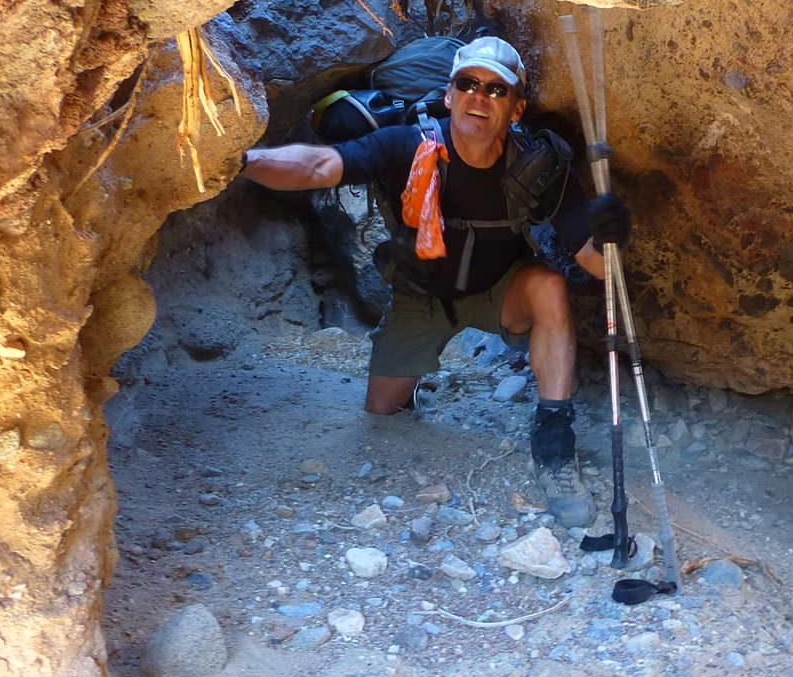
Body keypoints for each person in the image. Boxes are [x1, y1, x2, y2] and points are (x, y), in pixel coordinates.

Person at [240, 36, 631, 528]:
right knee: (381, 412)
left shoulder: (538, 165)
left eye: (496, 89)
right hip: (421, 297)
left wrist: (613, 235)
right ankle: (410, 381)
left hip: (499, 290)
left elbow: (597, 267)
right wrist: (240, 163)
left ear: (516, 108)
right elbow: (319, 166)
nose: (479, 96)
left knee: (548, 286)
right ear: (449, 95)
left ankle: (554, 442)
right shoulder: (407, 145)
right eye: (467, 84)